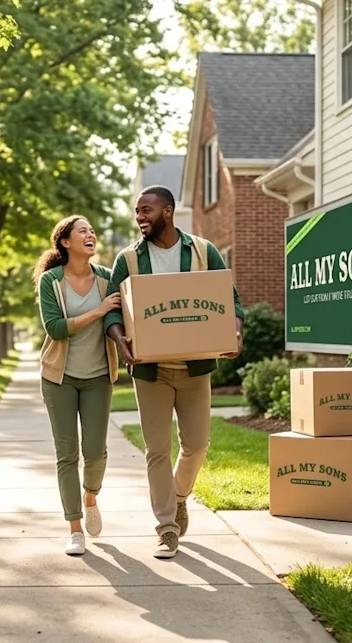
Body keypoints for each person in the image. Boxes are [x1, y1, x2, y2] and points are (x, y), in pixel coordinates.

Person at [104, 186, 243, 559]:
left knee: (197, 445)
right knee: (157, 450)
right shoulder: (128, 259)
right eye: (137, 212)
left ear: (168, 211)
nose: (140, 218)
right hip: (151, 371)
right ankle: (166, 527)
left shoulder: (202, 251)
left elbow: (228, 298)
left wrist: (236, 331)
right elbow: (113, 309)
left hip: (195, 367)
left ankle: (179, 497)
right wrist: (120, 340)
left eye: (146, 210)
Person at [35, 215, 120, 556]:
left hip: (99, 376)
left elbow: (123, 318)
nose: (91, 234)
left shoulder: (108, 279)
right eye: (82, 230)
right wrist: (98, 312)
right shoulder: (50, 281)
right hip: (60, 378)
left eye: (92, 230)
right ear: (66, 242)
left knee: (96, 452)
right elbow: (55, 328)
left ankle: (90, 496)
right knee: (66, 454)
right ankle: (74, 528)